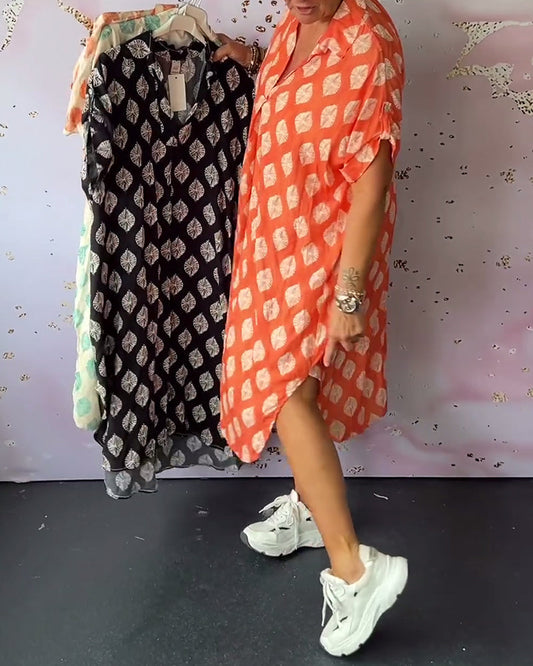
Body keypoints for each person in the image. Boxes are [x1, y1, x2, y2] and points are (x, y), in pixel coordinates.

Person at [213, 0, 407, 657]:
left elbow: (372, 179)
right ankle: (307, 505)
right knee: (301, 383)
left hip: (320, 252)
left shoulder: (365, 43)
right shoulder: (299, 22)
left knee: (287, 391)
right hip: (273, 241)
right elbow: (306, 99)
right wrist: (255, 61)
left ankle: (355, 570)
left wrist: (348, 294)